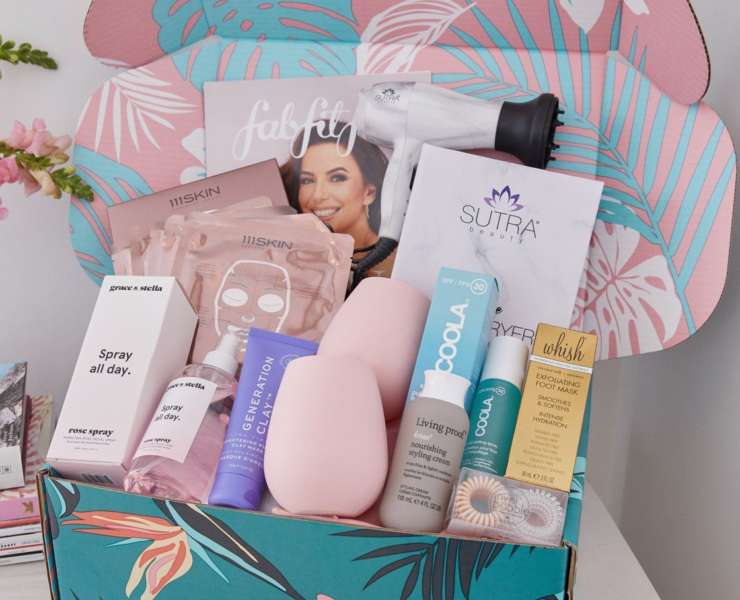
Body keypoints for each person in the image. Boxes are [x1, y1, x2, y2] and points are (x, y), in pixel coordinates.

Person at [281, 120, 394, 277]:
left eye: (337, 178)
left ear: (369, 192)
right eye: (307, 180)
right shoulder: (290, 262)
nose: (318, 195)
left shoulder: (400, 263)